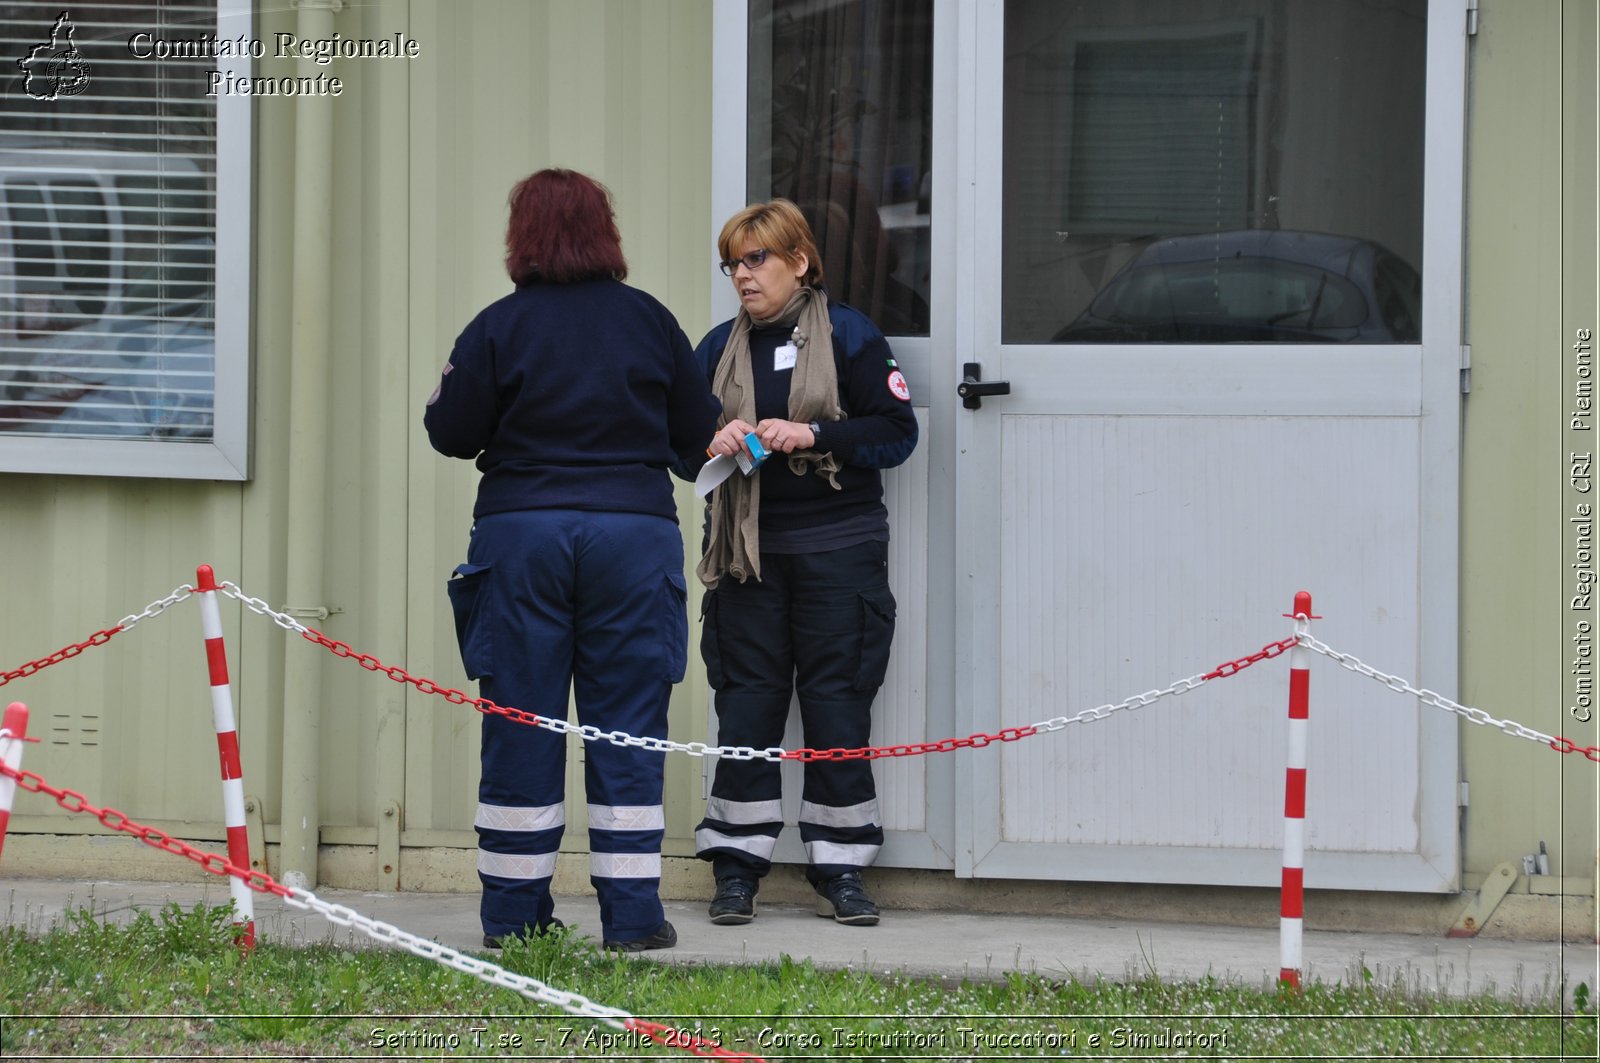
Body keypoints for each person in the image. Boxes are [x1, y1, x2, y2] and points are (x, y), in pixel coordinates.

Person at [424, 168, 719, 952]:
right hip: (633, 535)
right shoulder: (651, 321)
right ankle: (633, 918)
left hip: (522, 534)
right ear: (605, 232)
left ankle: (516, 920)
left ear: (521, 237)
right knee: (629, 727)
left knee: (521, 719)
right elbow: (698, 441)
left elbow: (451, 432)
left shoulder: (496, 327)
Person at [689, 198, 918, 927]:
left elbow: (896, 433)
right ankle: (736, 867)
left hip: (839, 552)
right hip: (746, 559)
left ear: (800, 261)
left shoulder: (850, 334)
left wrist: (813, 430)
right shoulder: (716, 349)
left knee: (836, 704)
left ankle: (842, 866)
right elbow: (674, 442)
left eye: (758, 259)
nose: (743, 276)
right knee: (746, 705)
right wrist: (713, 442)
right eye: (733, 263)